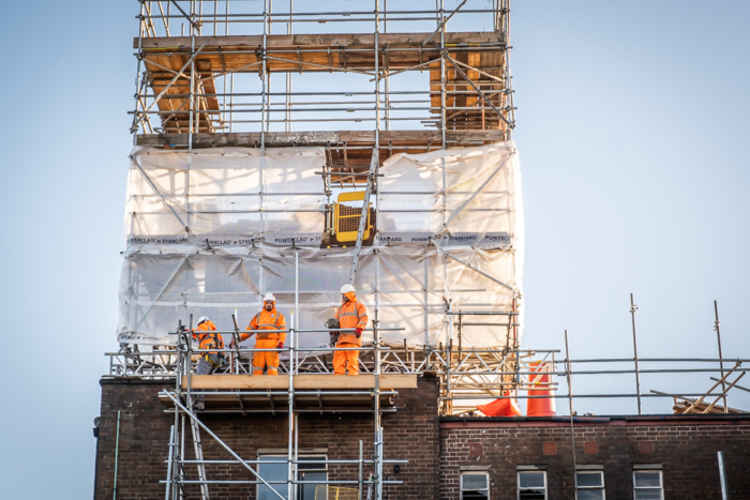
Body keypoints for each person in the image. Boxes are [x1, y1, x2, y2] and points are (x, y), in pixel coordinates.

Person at [236, 292, 286, 375]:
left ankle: (272, 385)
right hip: (259, 344)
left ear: (273, 304)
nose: (269, 304)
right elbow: (249, 330)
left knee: (272, 367)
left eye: (271, 303)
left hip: (272, 344)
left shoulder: (279, 316)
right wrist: (239, 338)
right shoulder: (259, 316)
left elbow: (282, 331)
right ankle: (257, 386)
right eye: (267, 302)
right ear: (264, 303)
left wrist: (281, 342)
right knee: (257, 366)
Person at [333, 284, 368, 375]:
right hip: (341, 339)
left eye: (344, 295)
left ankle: (353, 378)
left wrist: (359, 328)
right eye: (343, 295)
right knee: (338, 359)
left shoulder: (359, 306)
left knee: (352, 360)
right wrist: (334, 330)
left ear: (349, 294)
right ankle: (338, 376)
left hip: (353, 339)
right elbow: (336, 321)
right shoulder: (340, 308)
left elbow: (364, 318)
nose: (343, 297)